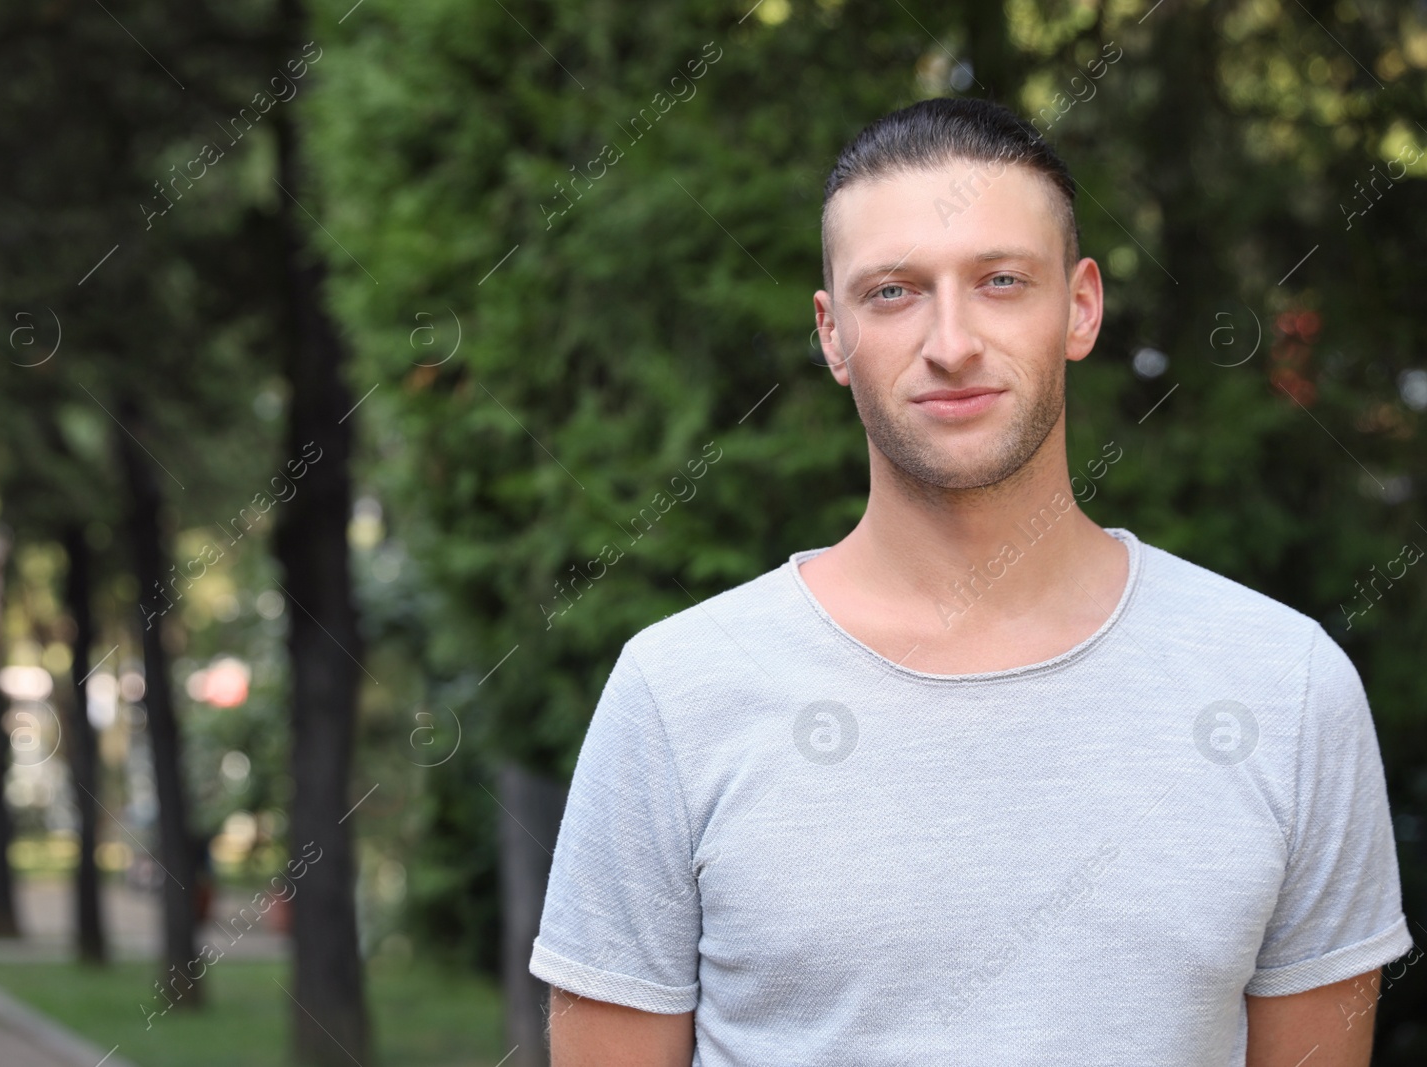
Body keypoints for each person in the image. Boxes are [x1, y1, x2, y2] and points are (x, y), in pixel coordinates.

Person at [529, 97, 1413, 1066]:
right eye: (893, 292)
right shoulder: (677, 693)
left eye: (999, 280)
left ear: (1078, 305)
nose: (950, 340)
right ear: (831, 334)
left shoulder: (1284, 686)